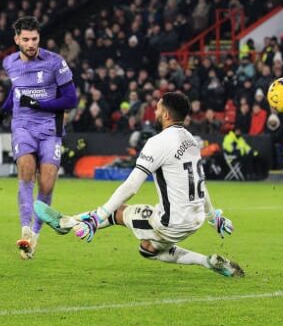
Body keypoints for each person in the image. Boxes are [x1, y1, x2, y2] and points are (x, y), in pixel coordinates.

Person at [34, 92, 244, 277]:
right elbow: (199, 182)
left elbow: (132, 186)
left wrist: (97, 218)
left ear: (167, 115)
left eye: (158, 109)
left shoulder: (158, 142)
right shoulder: (191, 140)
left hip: (171, 223)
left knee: (117, 212)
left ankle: (67, 224)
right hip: (195, 218)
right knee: (148, 249)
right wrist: (213, 216)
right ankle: (208, 262)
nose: (154, 112)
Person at [0, 16, 77, 260]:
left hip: (50, 128)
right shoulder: (9, 63)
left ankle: (36, 235)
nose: (31, 44)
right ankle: (25, 229)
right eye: (26, 39)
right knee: (26, 169)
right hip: (23, 127)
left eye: (35, 39)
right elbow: (17, 90)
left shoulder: (55, 62)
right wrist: (4, 109)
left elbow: (71, 100)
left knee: (47, 183)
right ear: (16, 39)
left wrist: (40, 104)